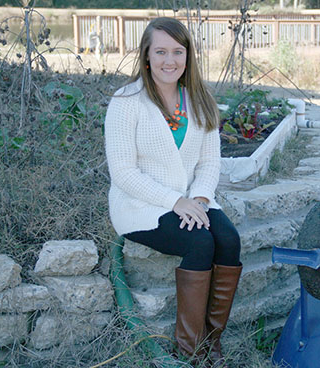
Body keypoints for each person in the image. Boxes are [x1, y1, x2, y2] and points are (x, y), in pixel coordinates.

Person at [104, 17, 242, 367]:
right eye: (161, 51)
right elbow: (122, 172)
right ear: (146, 56)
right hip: (140, 204)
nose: (170, 60)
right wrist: (175, 202)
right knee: (200, 242)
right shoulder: (127, 101)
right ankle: (189, 351)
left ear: (188, 56)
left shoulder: (199, 99)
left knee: (227, 238)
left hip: (189, 199)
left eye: (178, 52)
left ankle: (213, 343)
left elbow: (210, 162)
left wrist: (198, 199)